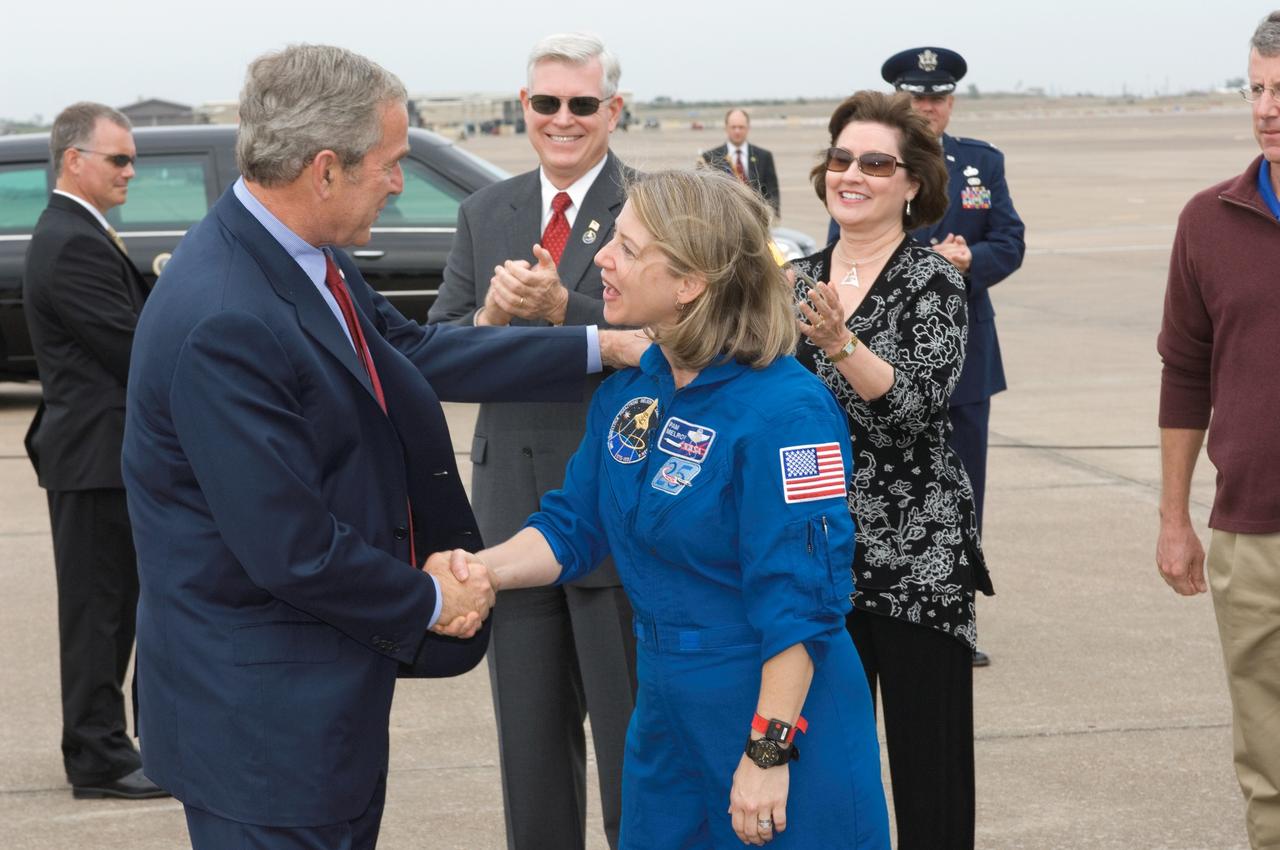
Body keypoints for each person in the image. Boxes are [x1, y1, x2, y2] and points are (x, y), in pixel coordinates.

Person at [121, 44, 638, 850]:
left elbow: (412, 351)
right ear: (325, 169)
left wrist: (606, 348)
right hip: (260, 730)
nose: (400, 183)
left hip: (315, 706)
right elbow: (289, 549)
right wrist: (437, 600)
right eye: (390, 164)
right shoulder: (226, 314)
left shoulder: (301, 254)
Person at [440, 169, 890, 849]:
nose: (600, 259)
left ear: (688, 283)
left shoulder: (787, 413)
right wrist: (482, 570)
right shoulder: (637, 389)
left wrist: (767, 758)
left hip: (774, 717)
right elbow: (575, 523)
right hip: (667, 715)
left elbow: (802, 603)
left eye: (626, 247)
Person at [428, 32, 637, 850]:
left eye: (582, 104)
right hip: (513, 508)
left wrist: (567, 314)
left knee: (630, 744)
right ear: (524, 107)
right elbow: (440, 353)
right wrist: (490, 320)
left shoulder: (655, 204)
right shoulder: (486, 212)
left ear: (613, 110)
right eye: (546, 103)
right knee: (530, 750)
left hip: (614, 506)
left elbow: (685, 335)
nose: (563, 119)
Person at [793, 90, 992, 850]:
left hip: (914, 565)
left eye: (876, 163)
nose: (854, 174)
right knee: (823, 774)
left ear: (913, 183)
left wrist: (843, 344)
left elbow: (913, 413)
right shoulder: (794, 280)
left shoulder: (933, 280)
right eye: (842, 159)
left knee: (928, 775)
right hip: (816, 559)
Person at [1156, 13, 1280, 849]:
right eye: (1257, 88)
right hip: (1253, 535)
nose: (1267, 109)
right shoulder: (1208, 220)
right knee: (1269, 762)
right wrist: (1174, 518)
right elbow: (1184, 375)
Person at [22, 102, 167, 801]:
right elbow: (129, 347)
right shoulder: (72, 239)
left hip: (100, 455)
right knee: (98, 611)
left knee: (111, 607)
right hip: (94, 457)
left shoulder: (78, 231)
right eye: (119, 159)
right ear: (73, 159)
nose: (130, 171)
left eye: (131, 158)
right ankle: (97, 756)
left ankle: (105, 742)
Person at [878, 48, 1025, 668]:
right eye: (916, 96)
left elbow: (1010, 240)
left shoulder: (981, 162)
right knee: (891, 489)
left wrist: (969, 265)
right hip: (888, 361)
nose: (928, 107)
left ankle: (956, 622)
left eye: (937, 96)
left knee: (964, 489)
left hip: (965, 357)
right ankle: (887, 613)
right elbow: (844, 246)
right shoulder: (874, 161)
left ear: (951, 100)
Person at [700, 108, 781, 217]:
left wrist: (773, 218)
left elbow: (773, 194)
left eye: (741, 127)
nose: (737, 131)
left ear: (748, 128)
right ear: (726, 128)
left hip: (758, 222)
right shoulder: (709, 157)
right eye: (733, 127)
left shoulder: (764, 156)